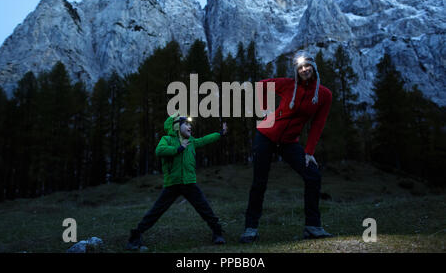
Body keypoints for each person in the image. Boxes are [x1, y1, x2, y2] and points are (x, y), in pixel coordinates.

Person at [240, 54, 333, 243]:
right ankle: (250, 228)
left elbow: (318, 124)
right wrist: (265, 112)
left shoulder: (324, 94)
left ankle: (312, 227)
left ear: (314, 68)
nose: (304, 70)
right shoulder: (288, 84)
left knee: (313, 175)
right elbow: (260, 85)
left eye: (308, 66)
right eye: (300, 67)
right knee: (260, 182)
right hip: (266, 135)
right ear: (296, 71)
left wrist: (309, 152)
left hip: (289, 142)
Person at [126, 113, 228, 250]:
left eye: (190, 124)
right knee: (156, 211)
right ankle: (136, 235)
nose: (189, 126)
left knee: (205, 209)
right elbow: (159, 150)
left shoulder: (191, 141)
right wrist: (178, 148)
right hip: (172, 184)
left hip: (189, 183)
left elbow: (204, 140)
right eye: (186, 124)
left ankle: (217, 232)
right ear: (175, 127)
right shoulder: (167, 139)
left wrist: (220, 133)